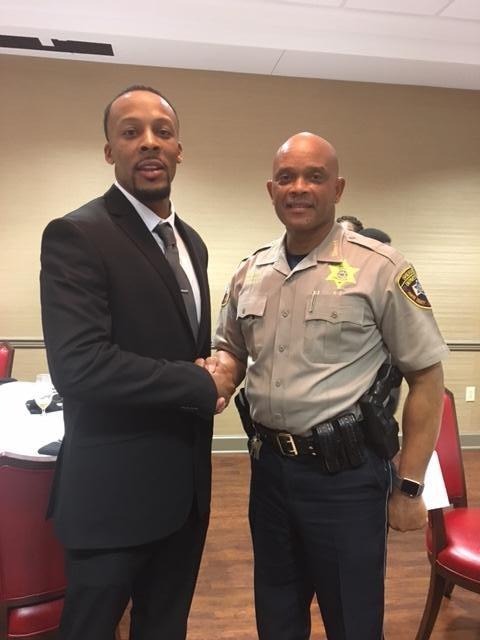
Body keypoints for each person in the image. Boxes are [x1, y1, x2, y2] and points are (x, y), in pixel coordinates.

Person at [211, 132, 448, 639]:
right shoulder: (250, 272)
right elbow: (230, 347)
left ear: (337, 187)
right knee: (276, 617)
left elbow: (427, 376)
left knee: (354, 621)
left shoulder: (381, 268)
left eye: (314, 177)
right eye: (286, 178)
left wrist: (409, 486)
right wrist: (219, 376)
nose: (299, 188)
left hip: (347, 481)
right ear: (270, 189)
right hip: (269, 474)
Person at [40, 85, 235, 640]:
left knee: (164, 629)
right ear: (110, 151)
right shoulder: (77, 234)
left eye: (163, 132)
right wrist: (198, 383)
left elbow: (183, 346)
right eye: (131, 133)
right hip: (112, 499)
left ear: (179, 150)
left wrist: (217, 371)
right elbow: (78, 365)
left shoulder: (191, 242)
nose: (149, 143)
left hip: (186, 495)